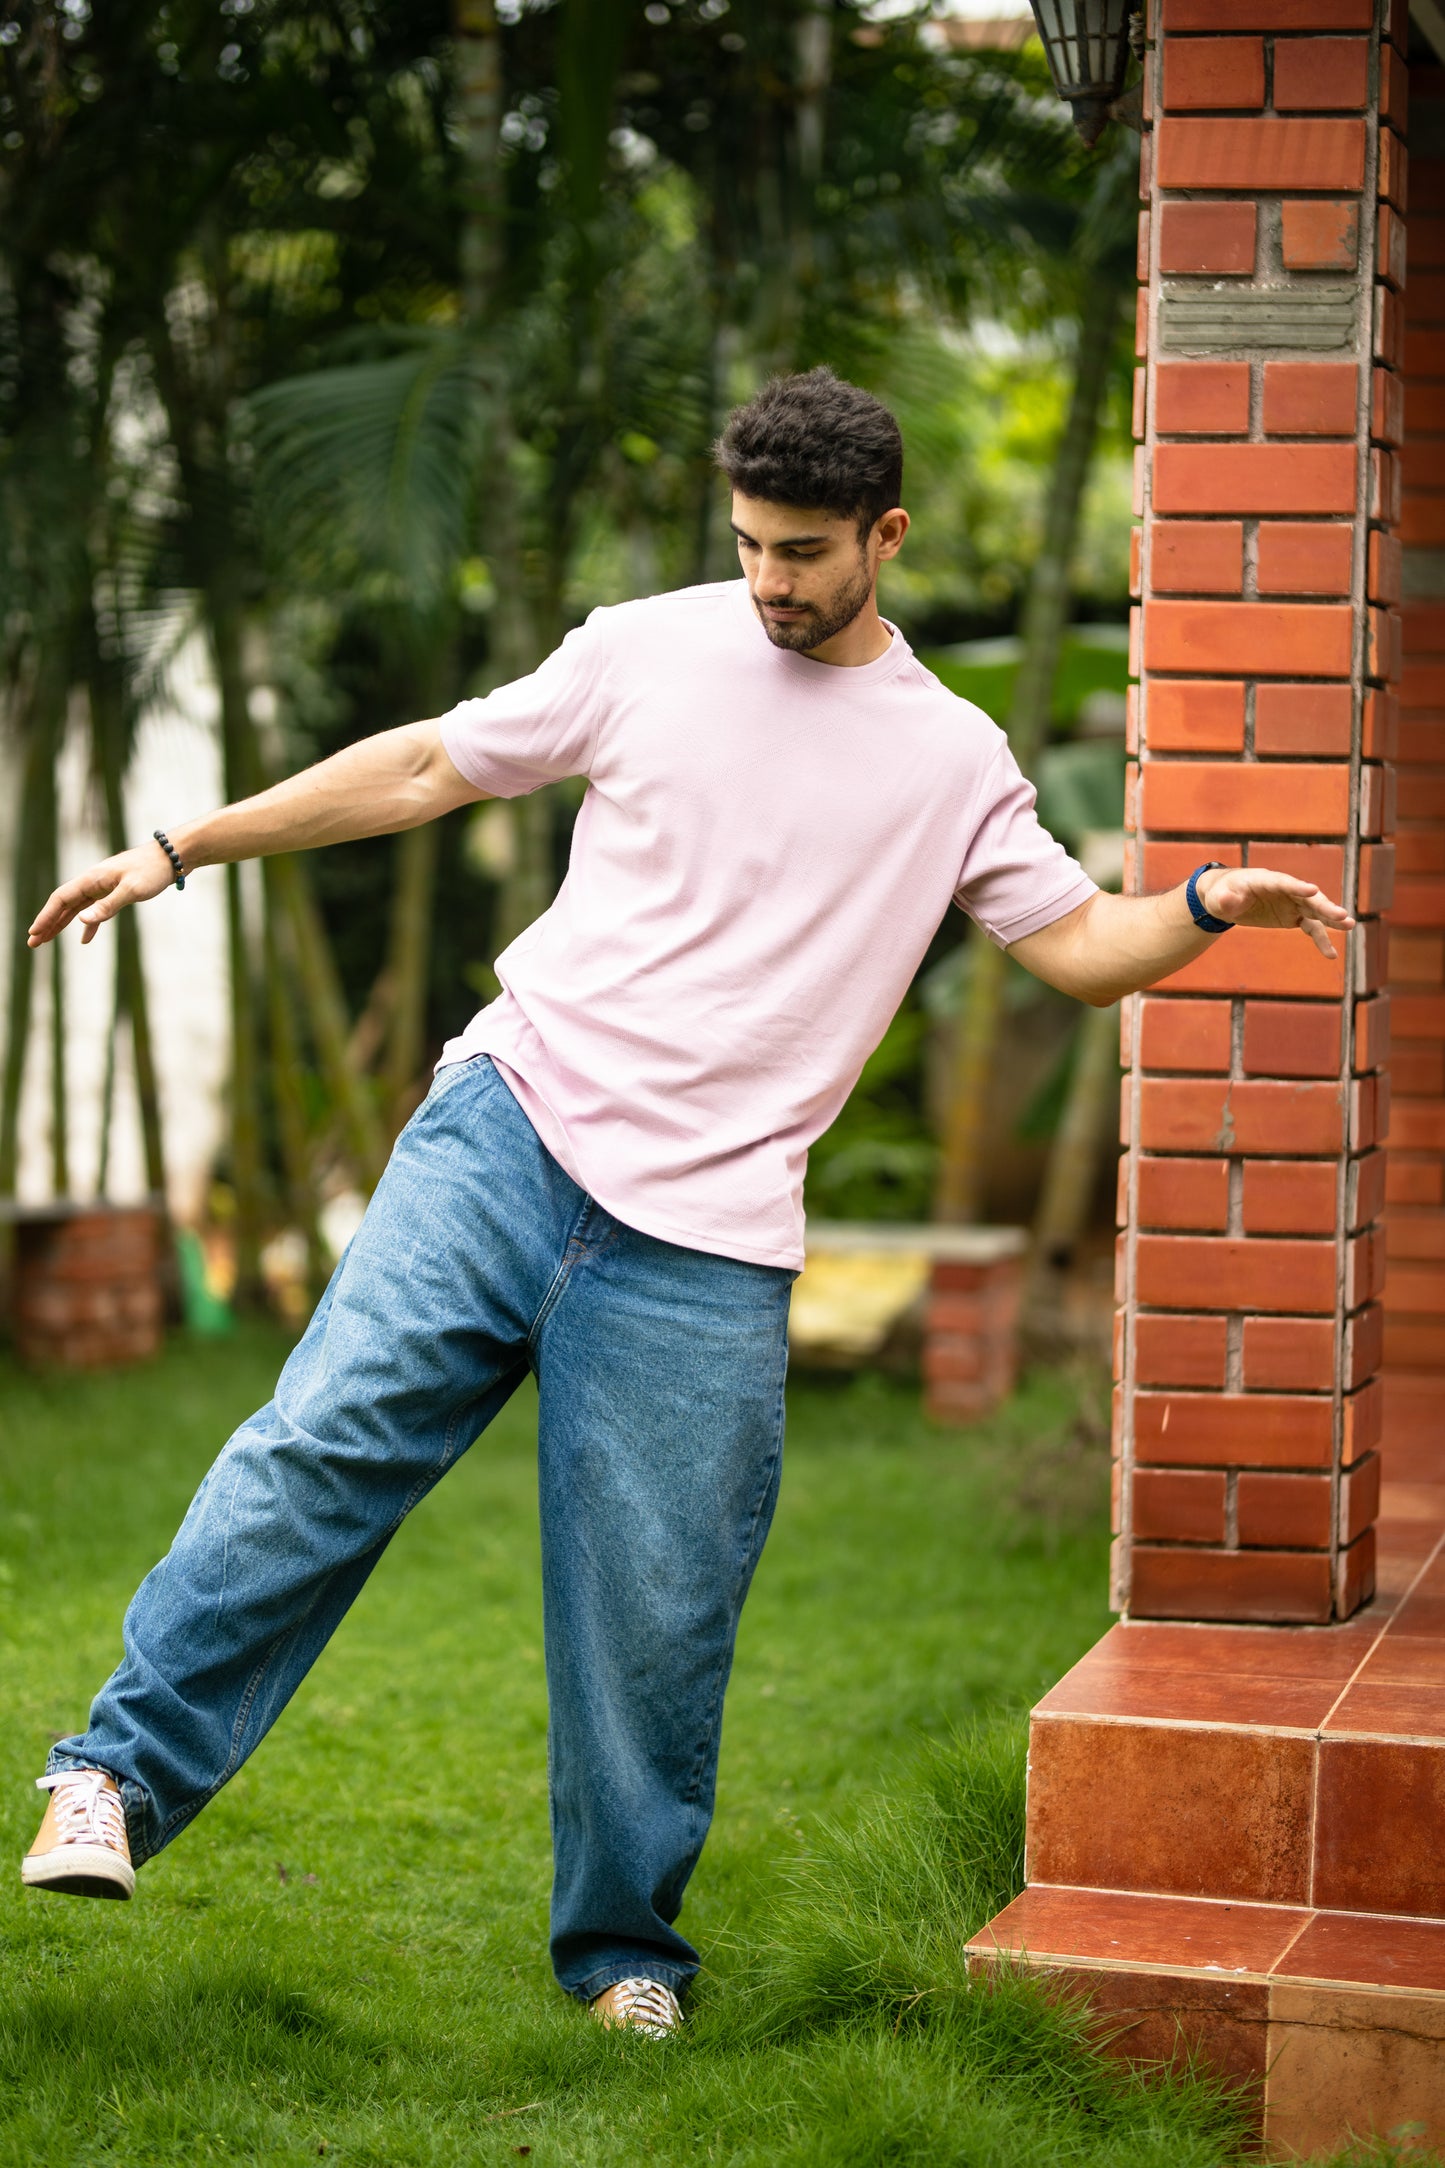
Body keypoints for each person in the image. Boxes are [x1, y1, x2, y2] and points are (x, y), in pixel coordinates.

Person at [19, 368, 1352, 2038]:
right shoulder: (645, 644)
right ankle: (110, 1782)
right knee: (314, 1450)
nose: (770, 582)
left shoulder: (951, 758)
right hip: (510, 1130)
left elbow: (1079, 951)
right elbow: (435, 764)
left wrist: (1211, 898)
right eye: (747, 545)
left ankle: (624, 1958)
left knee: (655, 1615)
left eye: (802, 551)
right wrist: (181, 846)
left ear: (886, 535)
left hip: (707, 1238)